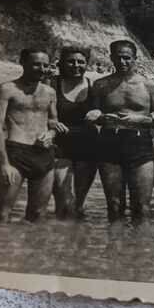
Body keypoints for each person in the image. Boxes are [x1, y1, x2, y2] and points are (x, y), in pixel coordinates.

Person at [85, 39, 154, 220]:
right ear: (111, 58)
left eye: (127, 58)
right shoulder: (101, 85)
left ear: (135, 59)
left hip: (140, 145)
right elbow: (92, 114)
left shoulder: (149, 85)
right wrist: (100, 116)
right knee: (114, 205)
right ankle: (116, 247)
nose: (123, 62)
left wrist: (140, 119)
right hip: (109, 144)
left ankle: (139, 247)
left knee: (142, 207)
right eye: (119, 58)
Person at [0, 47, 64, 222]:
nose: (42, 69)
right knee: (1, 215)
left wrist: (51, 133)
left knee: (37, 215)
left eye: (45, 65)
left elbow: (53, 121)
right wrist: (4, 163)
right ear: (23, 63)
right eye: (36, 65)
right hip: (16, 153)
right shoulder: (7, 89)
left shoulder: (50, 92)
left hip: (44, 154)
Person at [52, 46, 99, 219]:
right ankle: (59, 238)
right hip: (59, 144)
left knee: (80, 204)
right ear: (61, 63)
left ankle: (78, 240)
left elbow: (104, 111)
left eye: (81, 62)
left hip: (88, 145)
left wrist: (99, 113)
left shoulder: (93, 86)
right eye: (70, 61)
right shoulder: (51, 84)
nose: (76, 65)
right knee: (62, 199)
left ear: (87, 64)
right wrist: (51, 122)